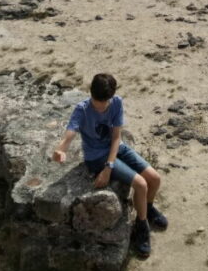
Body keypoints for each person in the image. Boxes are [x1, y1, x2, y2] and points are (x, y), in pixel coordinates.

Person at [52, 73, 166, 257]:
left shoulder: (116, 103)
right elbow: (70, 133)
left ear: (111, 97)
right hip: (96, 157)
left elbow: (115, 138)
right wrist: (60, 149)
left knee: (155, 178)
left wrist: (108, 168)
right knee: (141, 184)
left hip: (115, 148)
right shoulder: (82, 110)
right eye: (98, 102)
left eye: (105, 102)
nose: (101, 106)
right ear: (91, 94)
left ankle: (148, 208)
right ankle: (141, 225)